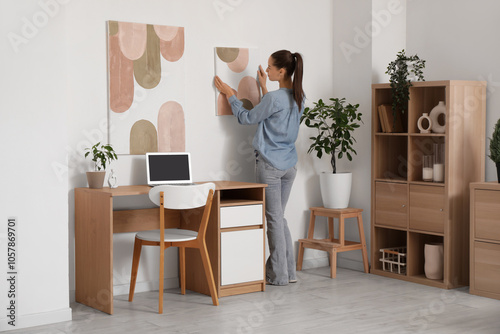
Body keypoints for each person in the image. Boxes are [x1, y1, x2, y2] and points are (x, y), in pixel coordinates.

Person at [214, 50, 304, 285]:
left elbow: (246, 118)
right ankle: (288, 273)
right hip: (289, 165)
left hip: (270, 166)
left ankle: (279, 276)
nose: (268, 70)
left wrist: (230, 95)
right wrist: (264, 88)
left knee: (273, 220)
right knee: (279, 218)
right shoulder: (299, 97)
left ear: (281, 71)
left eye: (271, 68)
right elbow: (274, 114)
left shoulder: (275, 99)